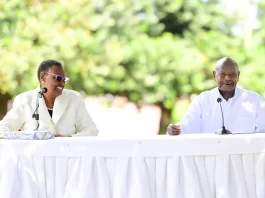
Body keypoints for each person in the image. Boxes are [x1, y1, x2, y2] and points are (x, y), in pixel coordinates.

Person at [167, 57, 265, 135]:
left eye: (232, 75)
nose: (227, 78)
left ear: (238, 76)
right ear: (214, 75)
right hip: (211, 158)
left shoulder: (254, 100)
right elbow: (185, 128)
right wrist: (173, 130)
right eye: (222, 74)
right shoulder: (203, 100)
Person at [0, 60, 98, 137]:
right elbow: (2, 130)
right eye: (58, 78)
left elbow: (91, 130)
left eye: (64, 80)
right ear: (42, 77)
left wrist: (69, 138)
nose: (62, 83)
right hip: (34, 160)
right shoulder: (24, 100)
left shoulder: (74, 99)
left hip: (67, 159)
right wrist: (28, 136)